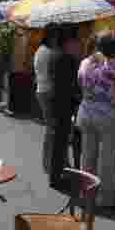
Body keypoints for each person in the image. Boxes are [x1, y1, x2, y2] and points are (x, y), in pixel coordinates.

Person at [75, 30, 115, 208]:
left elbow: (80, 83)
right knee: (107, 158)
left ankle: (86, 193)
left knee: (87, 155)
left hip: (86, 112)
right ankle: (105, 198)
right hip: (108, 116)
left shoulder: (85, 62)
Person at [50, 28, 81, 188]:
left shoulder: (54, 56)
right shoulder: (68, 60)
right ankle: (56, 176)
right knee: (60, 141)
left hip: (56, 102)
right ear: (68, 42)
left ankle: (55, 174)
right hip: (65, 104)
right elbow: (73, 85)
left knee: (58, 140)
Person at [34, 27, 63, 175]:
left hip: (41, 89)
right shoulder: (49, 53)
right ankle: (49, 163)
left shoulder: (40, 50)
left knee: (49, 128)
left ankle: (47, 162)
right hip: (47, 91)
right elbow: (52, 75)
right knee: (51, 129)